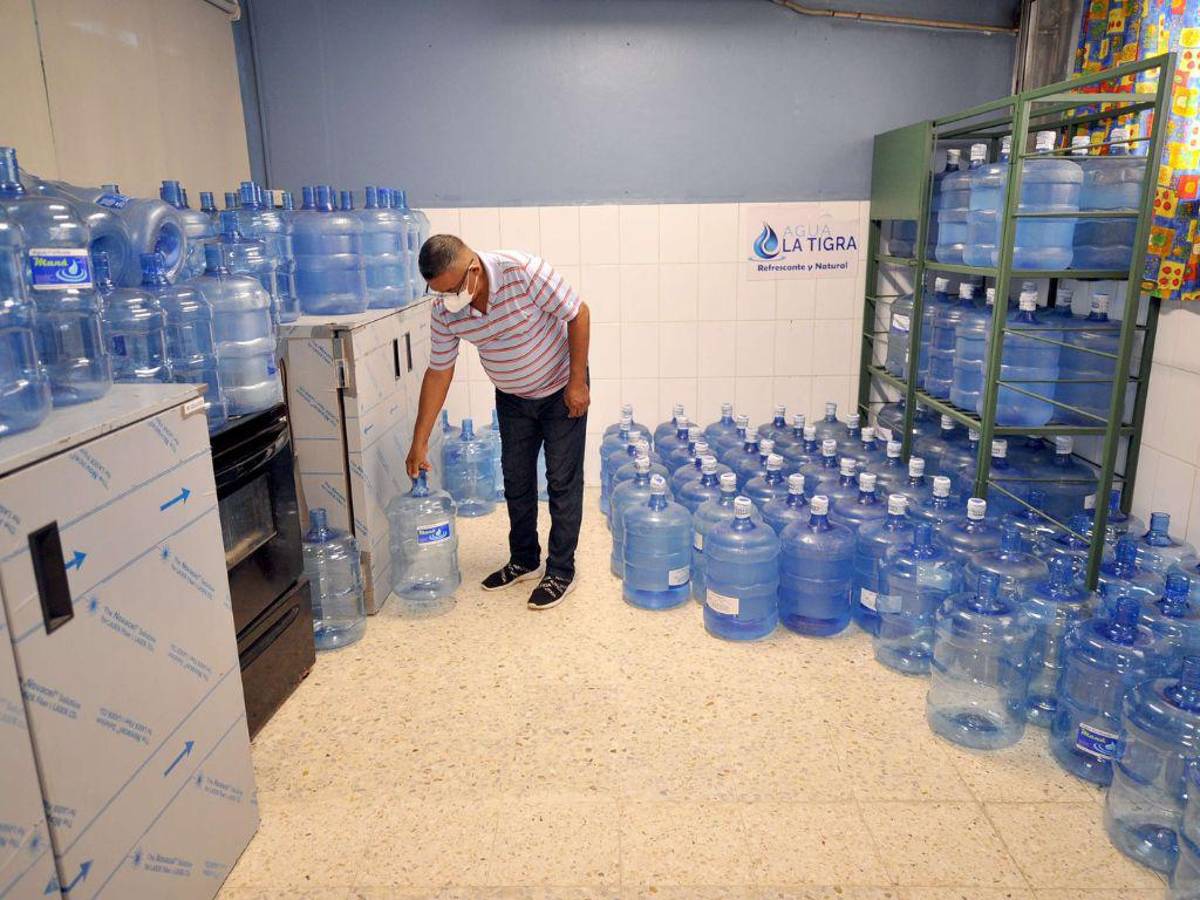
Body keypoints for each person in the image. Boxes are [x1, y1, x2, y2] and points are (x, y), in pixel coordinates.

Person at [405, 234, 590, 610]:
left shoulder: (522, 270)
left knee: (561, 480)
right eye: (436, 293)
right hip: (512, 399)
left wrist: (577, 381)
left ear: (473, 269)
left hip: (560, 390)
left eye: (451, 290)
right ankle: (524, 559)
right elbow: (439, 371)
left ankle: (560, 570)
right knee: (516, 480)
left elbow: (578, 313)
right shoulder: (444, 310)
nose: (445, 300)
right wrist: (419, 441)